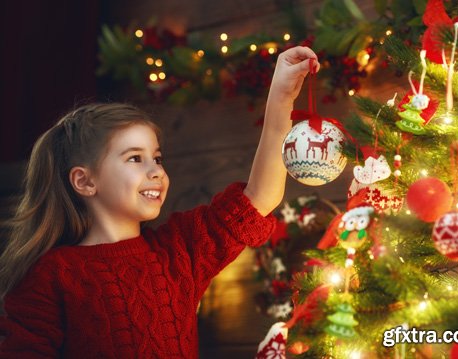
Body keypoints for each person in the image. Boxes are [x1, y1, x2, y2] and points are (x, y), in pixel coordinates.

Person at [0, 46, 319, 358]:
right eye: (135, 158)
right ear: (85, 181)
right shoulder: (51, 276)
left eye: (157, 157)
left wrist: (281, 98)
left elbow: (259, 197)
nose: (156, 171)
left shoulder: (179, 250)